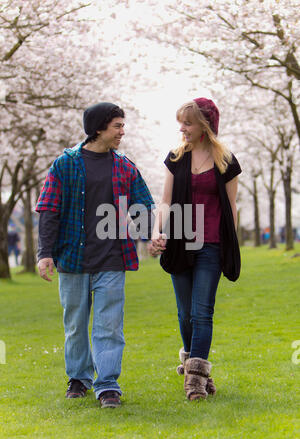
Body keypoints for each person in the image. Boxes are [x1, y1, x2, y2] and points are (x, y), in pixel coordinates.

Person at [36, 102, 154, 408]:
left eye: (122, 126)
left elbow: (142, 205)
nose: (122, 132)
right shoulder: (65, 163)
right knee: (75, 323)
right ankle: (78, 378)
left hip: (112, 259)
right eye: (117, 126)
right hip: (73, 260)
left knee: (110, 325)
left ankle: (108, 384)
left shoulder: (125, 166)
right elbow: (48, 209)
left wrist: (151, 235)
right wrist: (44, 253)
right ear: (99, 127)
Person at [149, 97, 241, 401]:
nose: (182, 128)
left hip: (212, 245)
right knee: (185, 313)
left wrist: (232, 244)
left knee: (203, 312)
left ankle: (195, 383)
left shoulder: (225, 161)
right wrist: (157, 230)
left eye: (187, 123)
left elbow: (230, 206)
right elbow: (165, 200)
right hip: (179, 242)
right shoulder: (176, 158)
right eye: (181, 122)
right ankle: (199, 368)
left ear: (205, 125)